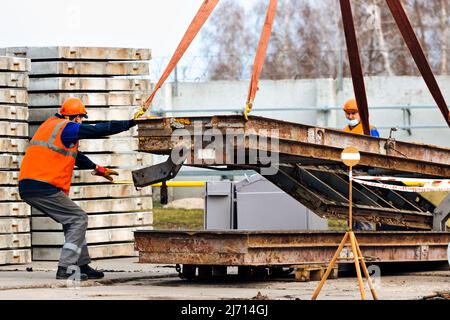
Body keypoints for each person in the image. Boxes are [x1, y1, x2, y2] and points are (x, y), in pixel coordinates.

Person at [18, 97, 137, 281]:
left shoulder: (50, 126)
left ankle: (82, 265)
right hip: (43, 186)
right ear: (76, 118)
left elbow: (76, 156)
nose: (82, 122)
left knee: (71, 219)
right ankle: (65, 268)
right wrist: (129, 123)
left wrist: (97, 168)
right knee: (78, 218)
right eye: (81, 118)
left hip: (29, 185)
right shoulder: (68, 127)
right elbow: (98, 130)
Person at [343, 98, 379, 230]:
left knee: (364, 210)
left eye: (353, 113)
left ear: (360, 113)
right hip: (349, 174)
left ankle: (364, 241)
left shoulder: (369, 129)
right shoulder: (344, 131)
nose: (350, 116)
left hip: (365, 175)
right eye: (348, 113)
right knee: (350, 215)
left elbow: (376, 154)